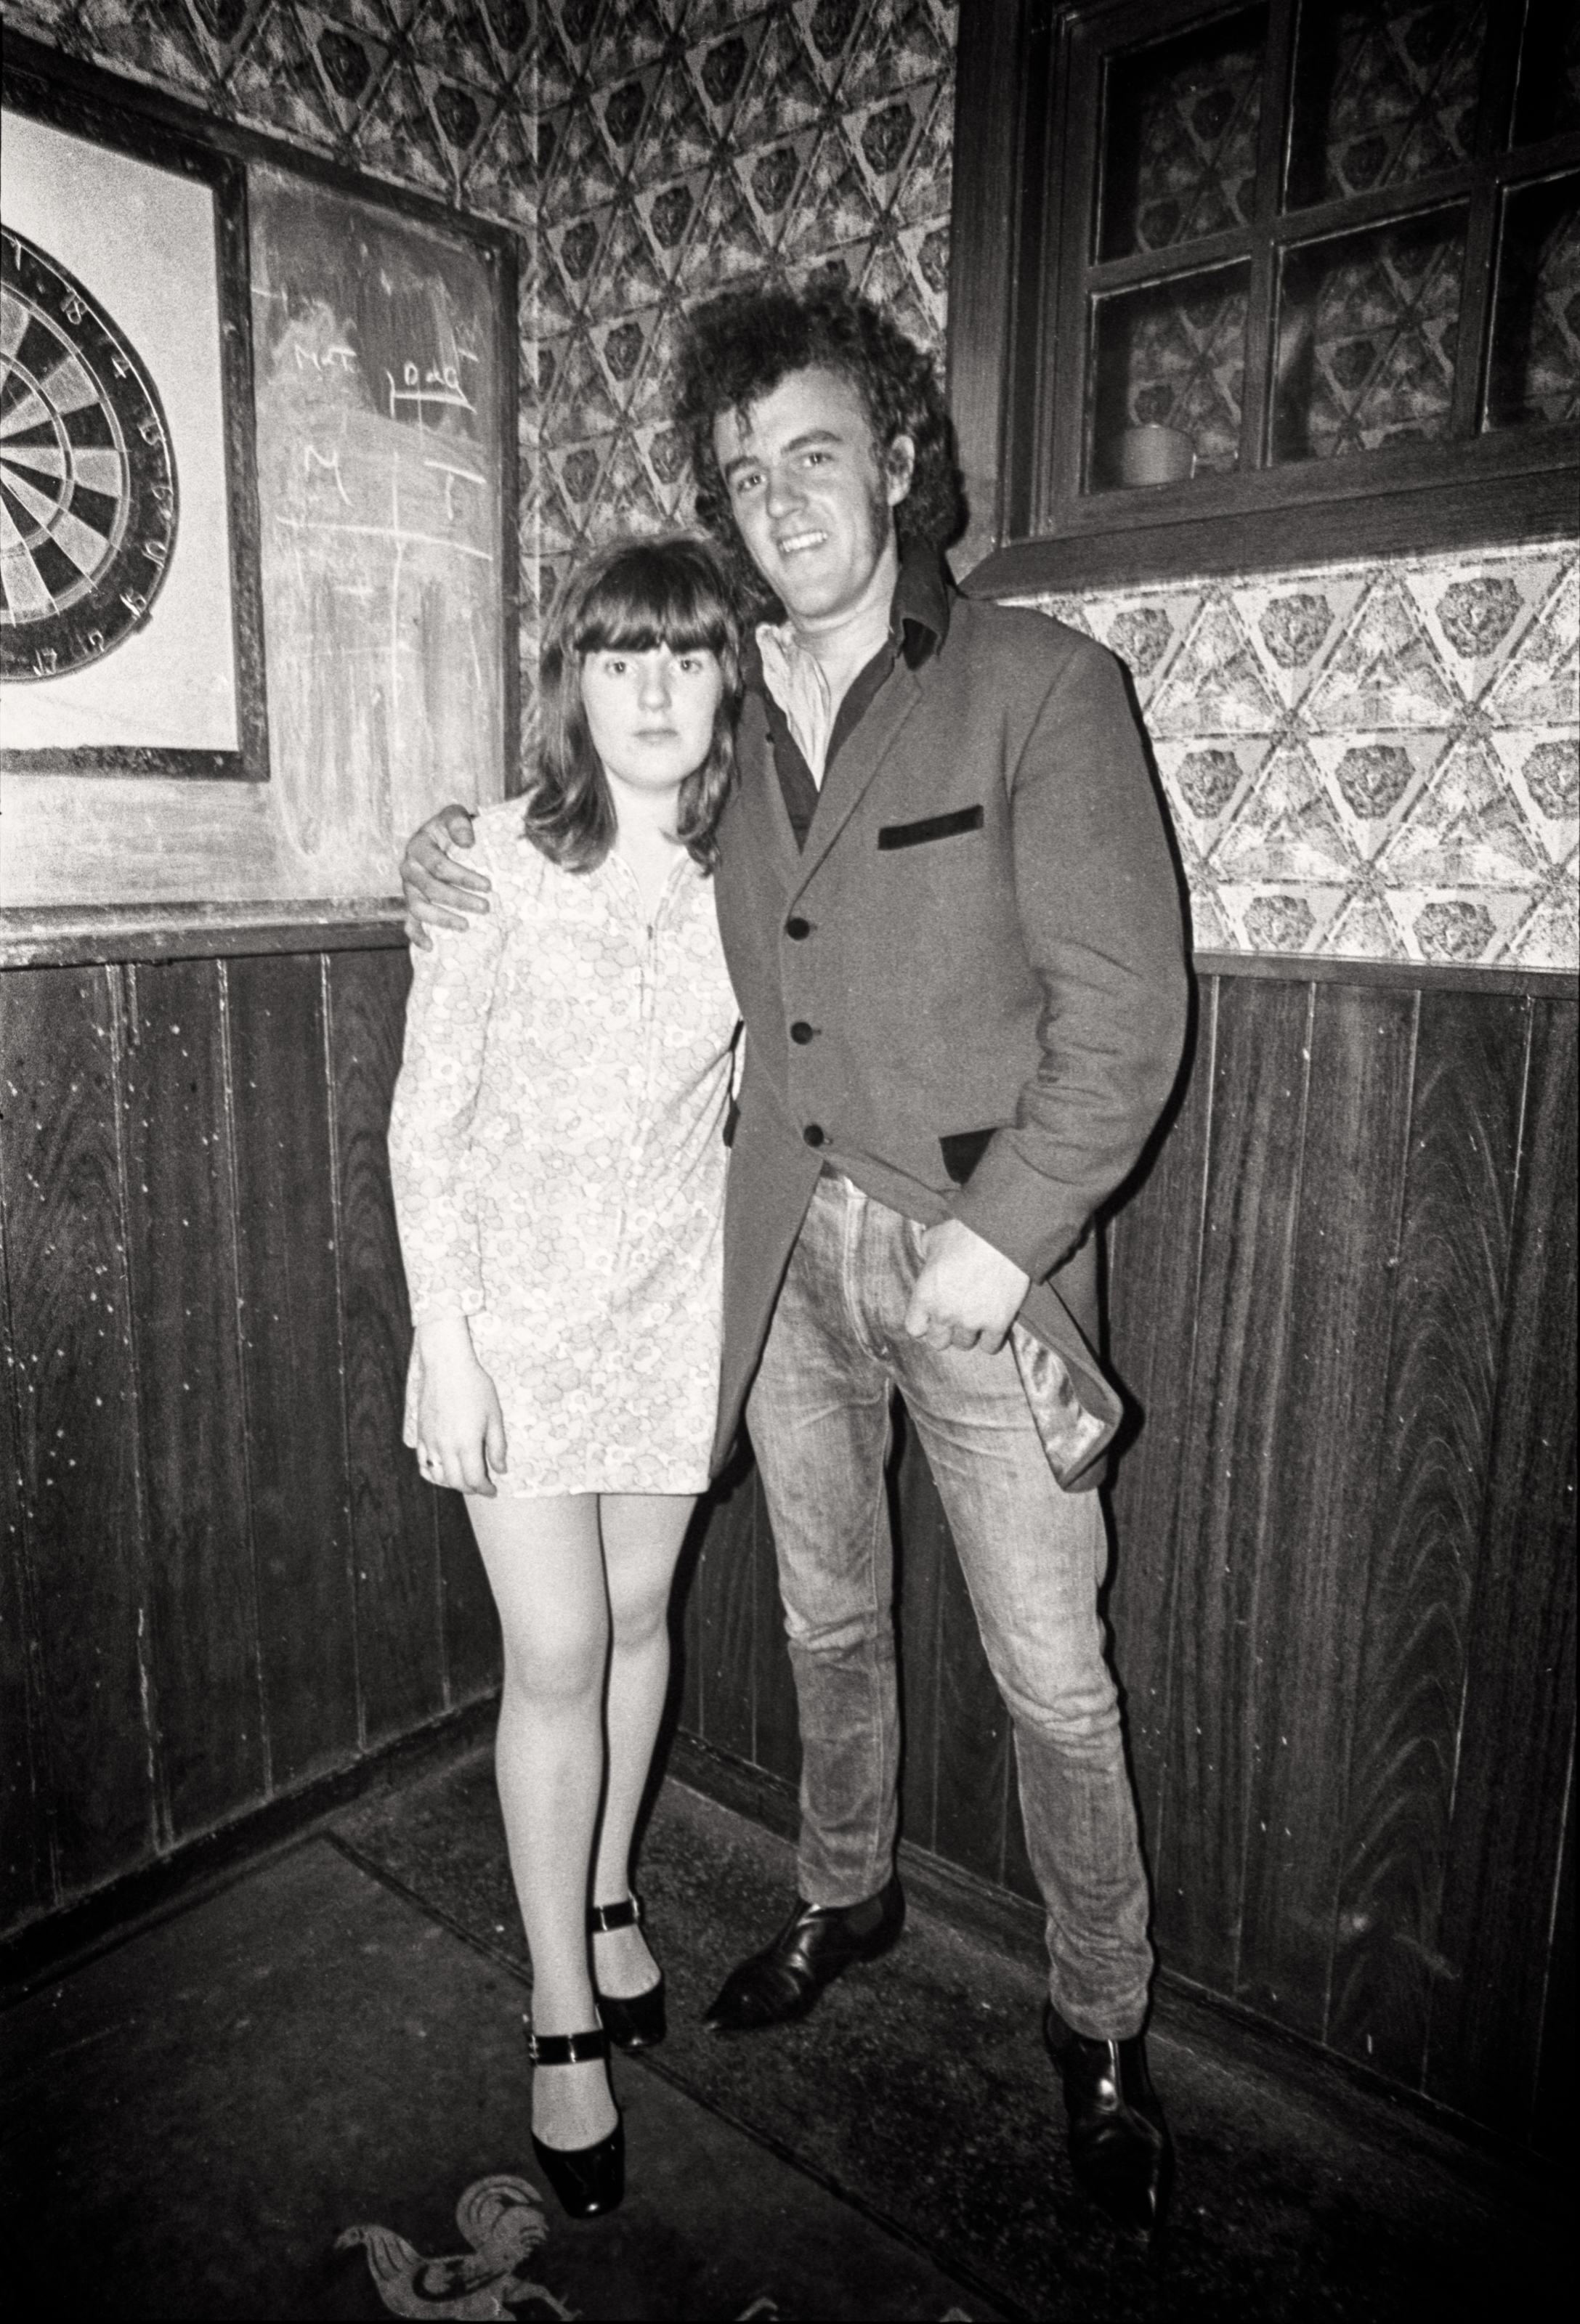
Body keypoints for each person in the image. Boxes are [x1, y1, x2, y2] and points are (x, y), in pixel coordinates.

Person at [402, 280, 1190, 2238]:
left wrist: (1007, 1246)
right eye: (749, 477)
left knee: (1054, 1676)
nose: (785, 502)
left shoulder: (1044, 687)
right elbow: (588, 823)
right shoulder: (729, 720)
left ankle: (1099, 2026)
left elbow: (1131, 1020)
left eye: (819, 456)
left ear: (903, 460)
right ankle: (848, 1896)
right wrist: (444, 849)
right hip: (761, 1277)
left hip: (980, 1278)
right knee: (828, 1626)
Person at [387, 535, 741, 2221]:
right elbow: (421, 1119)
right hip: (515, 1323)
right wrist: (441, 1333)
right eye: (619, 658)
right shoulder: (493, 863)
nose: (653, 689)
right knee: (556, 1647)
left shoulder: (763, 868)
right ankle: (556, 2008)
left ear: (726, 680)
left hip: (675, 1308)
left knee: (640, 1609)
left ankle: (606, 1890)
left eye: (683, 655)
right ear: (573, 683)